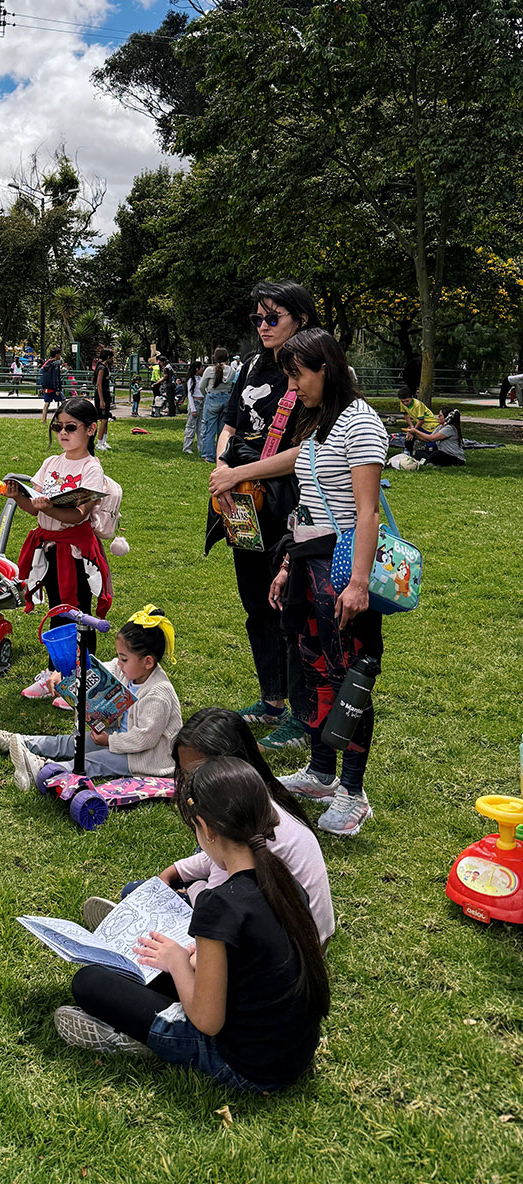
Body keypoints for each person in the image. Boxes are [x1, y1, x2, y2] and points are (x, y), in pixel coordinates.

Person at [55, 757, 329, 1092]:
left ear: (206, 829)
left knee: (89, 981)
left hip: (244, 1065)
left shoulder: (220, 904)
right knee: (147, 969)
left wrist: (177, 962)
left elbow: (207, 1021)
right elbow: (255, 959)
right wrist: (193, 959)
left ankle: (137, 1039)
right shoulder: (285, 882)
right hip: (291, 1052)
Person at [268, 328, 389, 836]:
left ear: (327, 368)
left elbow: (367, 513)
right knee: (316, 671)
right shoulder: (320, 424)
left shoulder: (360, 423)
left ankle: (353, 792)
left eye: (298, 375)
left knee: (349, 679)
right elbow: (310, 506)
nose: (293, 387)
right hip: (311, 568)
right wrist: (287, 566)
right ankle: (321, 773)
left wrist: (358, 583)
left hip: (343, 573)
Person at [83, 707, 333, 946]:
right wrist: (174, 872)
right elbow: (213, 867)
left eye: (199, 774)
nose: (191, 785)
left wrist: (193, 889)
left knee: (144, 896)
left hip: (283, 948)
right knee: (144, 890)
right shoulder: (254, 802)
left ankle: (137, 933)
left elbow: (213, 906)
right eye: (186, 774)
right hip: (295, 935)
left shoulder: (244, 836)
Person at [207, 281, 319, 751]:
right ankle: (272, 700)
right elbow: (230, 424)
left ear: (301, 319)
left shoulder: (310, 369)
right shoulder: (252, 365)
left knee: (291, 609)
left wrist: (238, 473)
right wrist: (222, 468)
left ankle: (303, 716)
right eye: (258, 318)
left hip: (287, 504)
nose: (263, 326)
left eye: (273, 318)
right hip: (241, 500)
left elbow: (307, 451)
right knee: (256, 603)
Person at [0, 606, 181, 790]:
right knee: (73, 742)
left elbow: (144, 739)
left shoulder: (158, 694)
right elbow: (97, 670)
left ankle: (41, 769)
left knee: (92, 761)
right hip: (118, 737)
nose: (119, 663)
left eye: (124, 659)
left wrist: (109, 741)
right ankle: (17, 741)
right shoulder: (129, 671)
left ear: (148, 662)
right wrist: (62, 674)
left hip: (144, 758)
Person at [5, 397, 114, 663]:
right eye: (58, 427)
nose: (63, 432)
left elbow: (79, 515)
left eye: (71, 427)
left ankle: (82, 671)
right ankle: (58, 670)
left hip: (76, 553)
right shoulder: (51, 462)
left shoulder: (91, 468)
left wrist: (50, 508)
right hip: (49, 549)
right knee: (56, 608)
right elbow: (34, 508)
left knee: (77, 612)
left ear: (91, 429)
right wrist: (17, 496)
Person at [198, 347, 237, 464]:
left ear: (214, 358)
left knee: (209, 429)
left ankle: (208, 455)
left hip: (212, 398)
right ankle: (221, 454)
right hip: (226, 398)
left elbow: (201, 386)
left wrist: (206, 395)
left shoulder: (209, 370)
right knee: (223, 430)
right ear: (227, 358)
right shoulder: (232, 371)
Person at [393, 407, 465, 469]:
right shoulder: (440, 427)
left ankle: (426, 461)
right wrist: (413, 435)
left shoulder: (449, 428)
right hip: (443, 453)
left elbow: (431, 438)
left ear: (446, 418)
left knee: (437, 454)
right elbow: (427, 439)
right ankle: (422, 460)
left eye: (440, 416)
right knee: (420, 452)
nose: (438, 417)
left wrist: (416, 431)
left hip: (454, 458)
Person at [93, 348, 114, 451]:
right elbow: (99, 384)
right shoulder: (101, 368)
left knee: (106, 419)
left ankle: (104, 441)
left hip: (106, 395)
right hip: (101, 396)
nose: (112, 359)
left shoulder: (105, 367)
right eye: (112, 357)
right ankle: (99, 443)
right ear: (108, 357)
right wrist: (101, 400)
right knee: (103, 419)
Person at [37, 346, 63, 427]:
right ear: (56, 355)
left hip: (46, 387)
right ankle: (61, 419)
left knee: (46, 404)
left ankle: (43, 420)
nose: (60, 356)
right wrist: (57, 388)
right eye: (59, 354)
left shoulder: (47, 363)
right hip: (54, 387)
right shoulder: (56, 364)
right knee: (63, 402)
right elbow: (55, 377)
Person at [182, 361, 202, 454]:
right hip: (195, 402)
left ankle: (201, 447)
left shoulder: (200, 378)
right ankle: (187, 447)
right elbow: (190, 395)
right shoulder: (191, 380)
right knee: (191, 426)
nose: (202, 369)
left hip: (202, 403)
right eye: (201, 367)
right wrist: (193, 409)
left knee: (201, 427)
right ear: (197, 369)